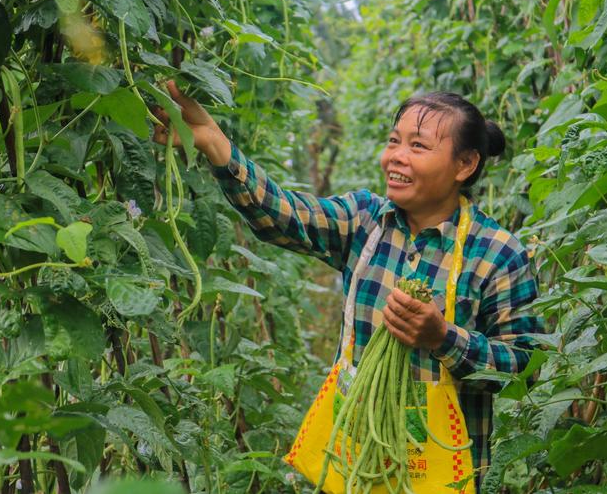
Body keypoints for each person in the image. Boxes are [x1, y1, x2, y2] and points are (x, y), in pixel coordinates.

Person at [153, 82, 544, 492]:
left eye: (418, 146)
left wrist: (444, 338)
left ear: (464, 165)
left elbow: (523, 367)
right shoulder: (364, 220)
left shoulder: (499, 254)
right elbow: (282, 215)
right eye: (394, 142)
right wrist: (214, 142)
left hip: (442, 471)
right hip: (355, 457)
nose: (396, 157)